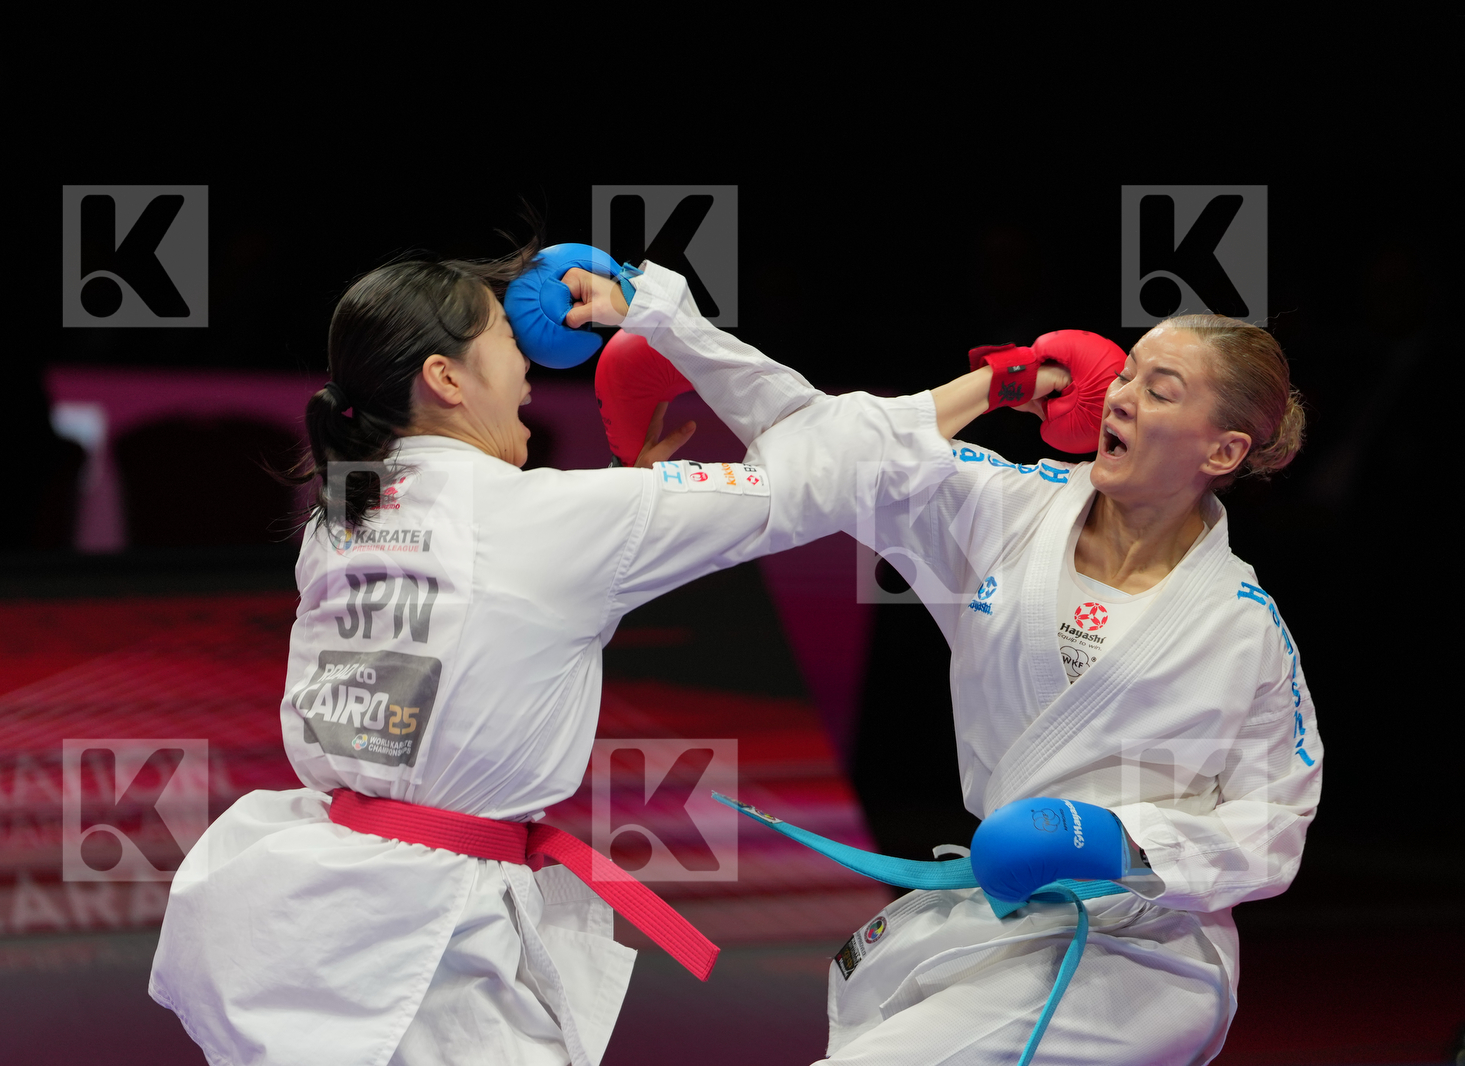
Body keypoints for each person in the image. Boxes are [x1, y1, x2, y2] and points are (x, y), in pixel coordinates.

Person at [147, 248, 958, 1066]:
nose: (531, 371)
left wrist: (621, 503)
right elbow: (819, 469)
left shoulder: (340, 519)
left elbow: (495, 624)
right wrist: (998, 388)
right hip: (434, 954)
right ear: (447, 378)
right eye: (506, 340)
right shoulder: (543, 518)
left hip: (316, 914)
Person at [615, 312, 1320, 1064]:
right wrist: (667, 324)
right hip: (999, 919)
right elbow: (841, 448)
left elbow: (1272, 827)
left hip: (1139, 954)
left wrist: (1116, 841)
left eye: (1160, 390)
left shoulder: (1243, 629)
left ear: (1224, 448)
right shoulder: (1009, 507)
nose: (1122, 396)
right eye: (1126, 374)